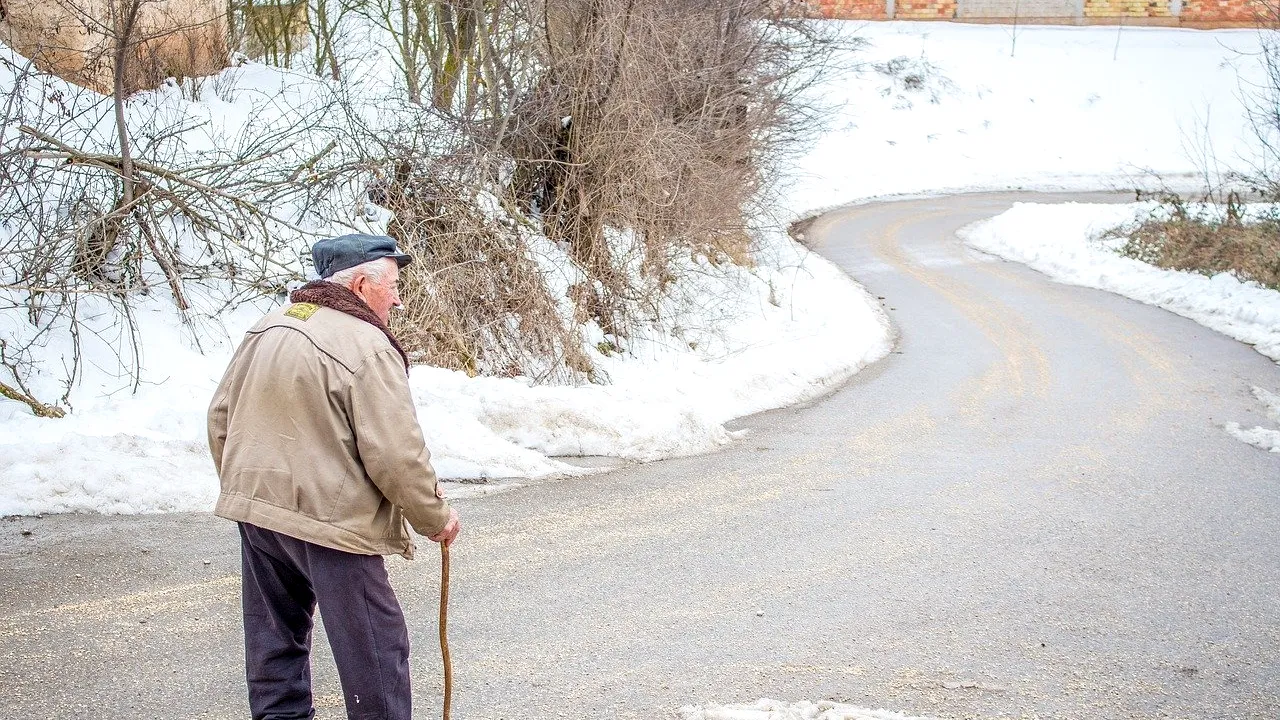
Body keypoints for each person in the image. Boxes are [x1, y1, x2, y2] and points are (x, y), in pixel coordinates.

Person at [207, 233, 460, 720]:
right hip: (333, 525)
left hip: (259, 515)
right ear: (362, 285)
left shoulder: (268, 327)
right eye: (393, 285)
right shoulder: (367, 345)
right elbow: (395, 452)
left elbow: (221, 419)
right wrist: (434, 516)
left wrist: (250, 489)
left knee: (275, 644)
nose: (399, 298)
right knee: (375, 653)